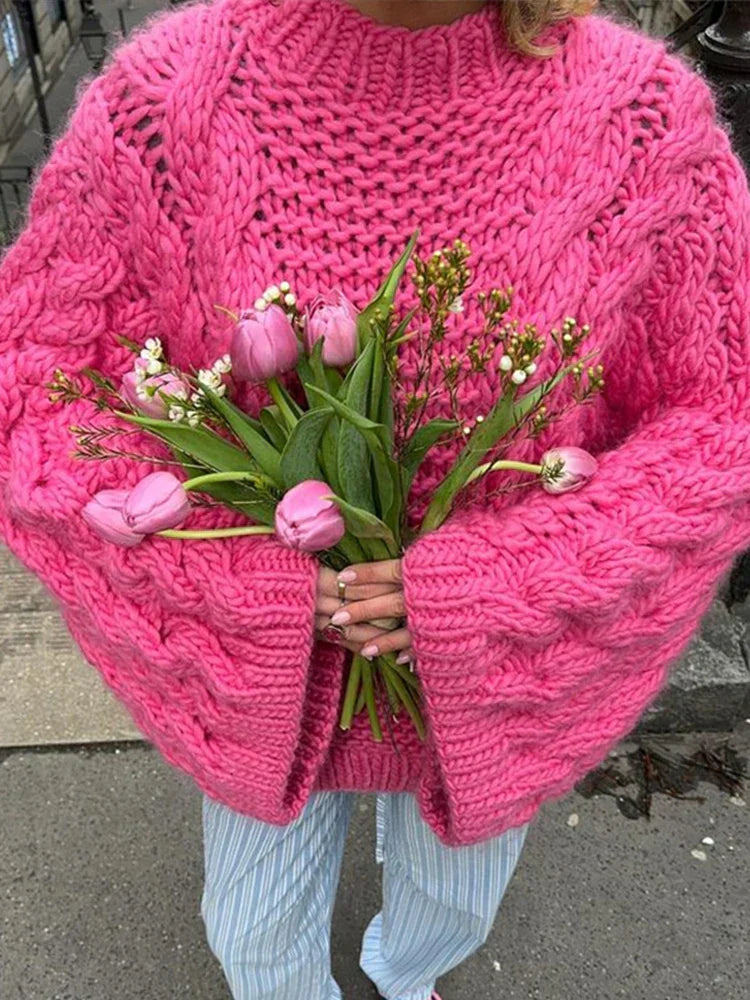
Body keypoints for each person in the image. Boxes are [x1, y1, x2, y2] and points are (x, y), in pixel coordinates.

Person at [1, 0, 749, 997]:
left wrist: (498, 588)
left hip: (491, 681)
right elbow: (37, 384)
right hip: (267, 676)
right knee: (255, 933)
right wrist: (235, 581)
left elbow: (722, 413)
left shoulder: (643, 120)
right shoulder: (166, 103)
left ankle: (404, 973)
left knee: (453, 908)